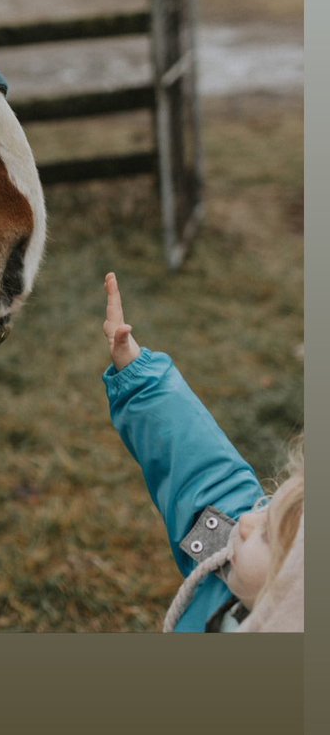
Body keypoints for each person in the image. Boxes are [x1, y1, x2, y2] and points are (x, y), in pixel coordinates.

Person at [102, 271, 304, 632]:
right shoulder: (233, 573)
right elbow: (204, 478)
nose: (245, 521)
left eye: (267, 533)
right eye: (267, 509)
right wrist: (140, 375)